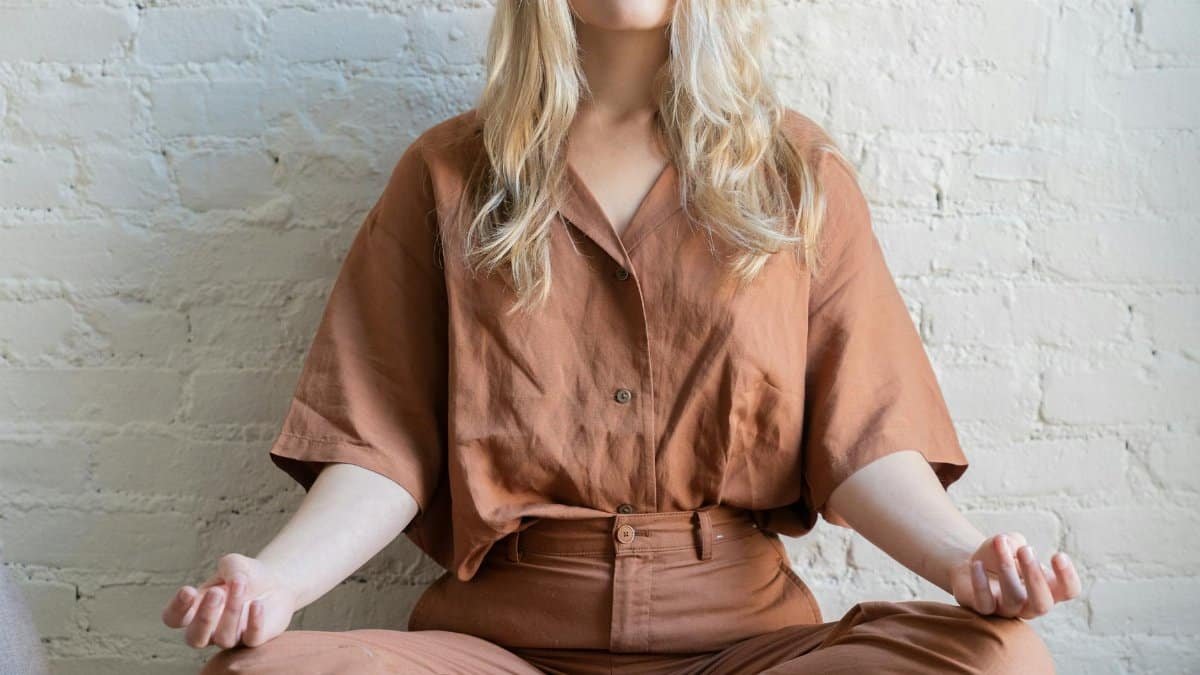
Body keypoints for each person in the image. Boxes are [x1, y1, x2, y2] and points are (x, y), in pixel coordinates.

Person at [163, 1, 1081, 672]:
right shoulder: (448, 175)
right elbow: (380, 446)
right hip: (502, 650)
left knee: (1000, 661)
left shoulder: (797, 175)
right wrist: (275, 583)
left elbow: (867, 438)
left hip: (748, 648)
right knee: (254, 673)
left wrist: (965, 560)